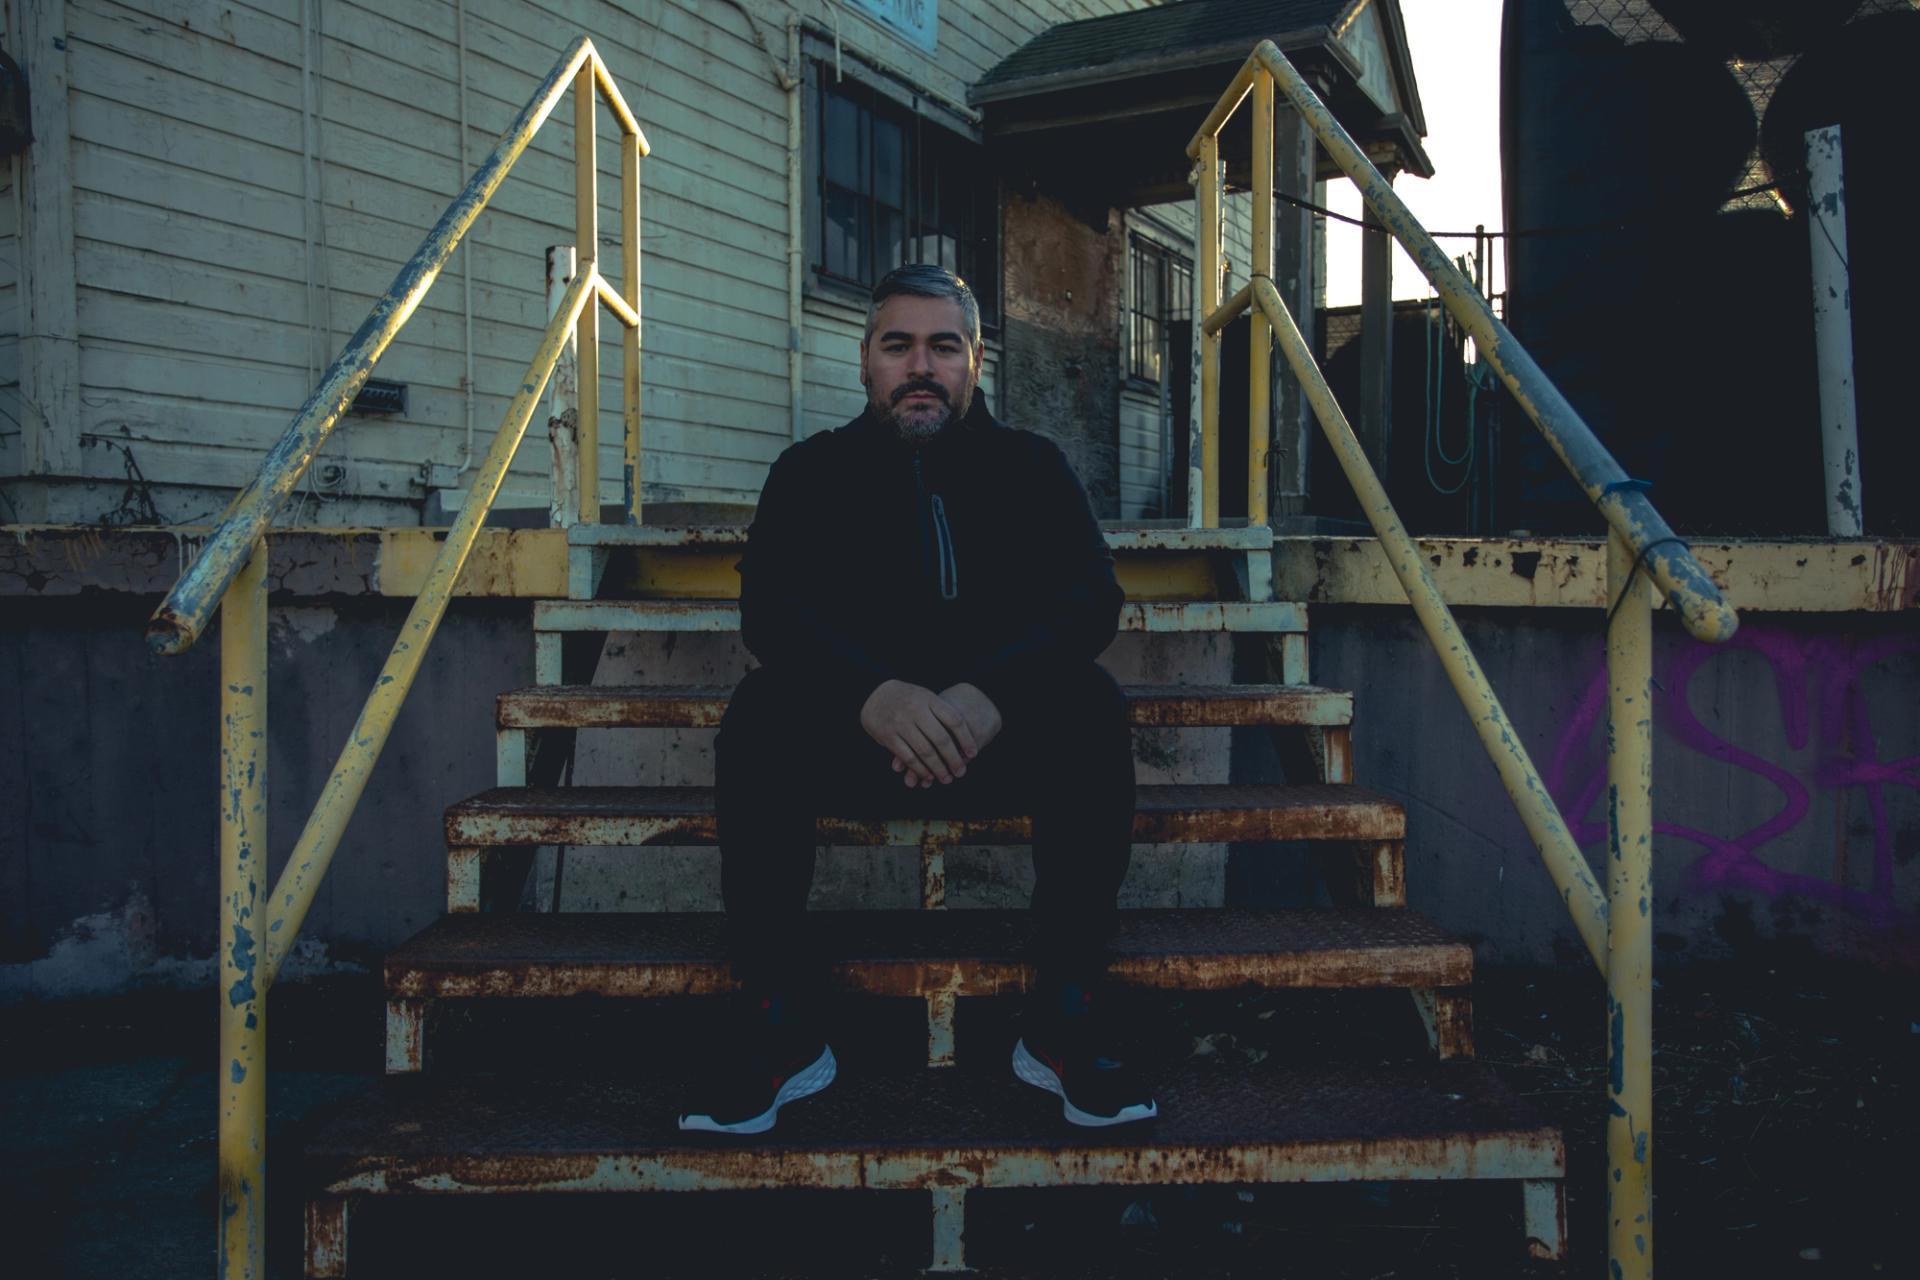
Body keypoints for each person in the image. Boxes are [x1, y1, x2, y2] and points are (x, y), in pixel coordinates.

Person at [677, 264, 1155, 1134]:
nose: (921, 366)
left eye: (944, 346)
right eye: (899, 346)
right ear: (866, 361)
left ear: (976, 362)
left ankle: (1064, 1009)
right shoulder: (810, 471)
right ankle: (779, 1015)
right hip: (857, 747)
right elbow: (770, 610)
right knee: (760, 716)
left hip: (999, 747)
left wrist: (989, 696)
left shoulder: (1033, 467)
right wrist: (873, 696)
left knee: (1089, 704)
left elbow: (1090, 599)